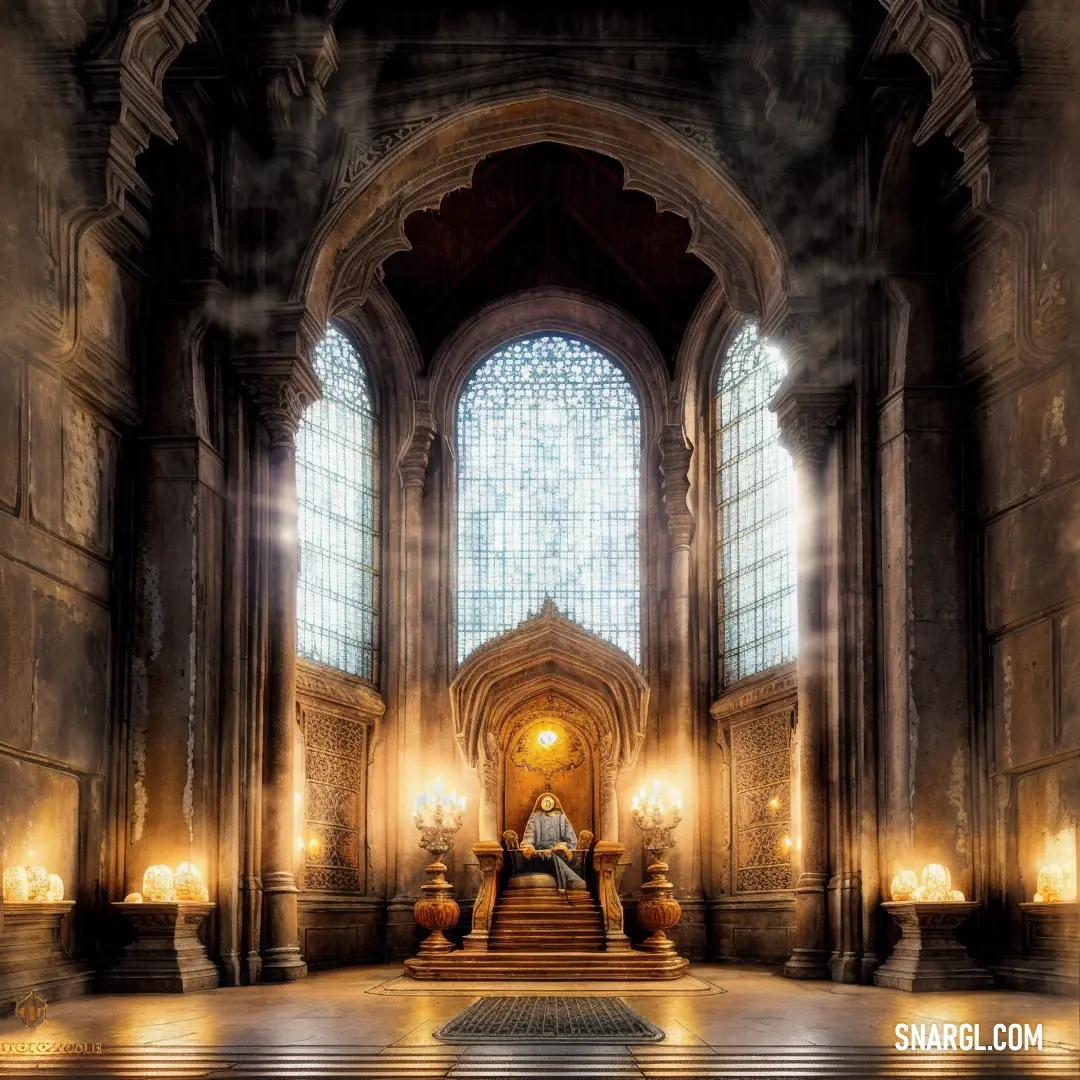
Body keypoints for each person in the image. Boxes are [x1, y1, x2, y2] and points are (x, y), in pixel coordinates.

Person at [519, 792, 587, 890]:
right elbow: (527, 842)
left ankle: (564, 884)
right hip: (541, 858)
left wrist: (562, 846)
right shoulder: (535, 818)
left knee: (555, 854)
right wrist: (530, 848)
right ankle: (570, 880)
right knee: (550, 855)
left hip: (559, 855)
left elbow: (571, 841)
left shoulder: (561, 818)